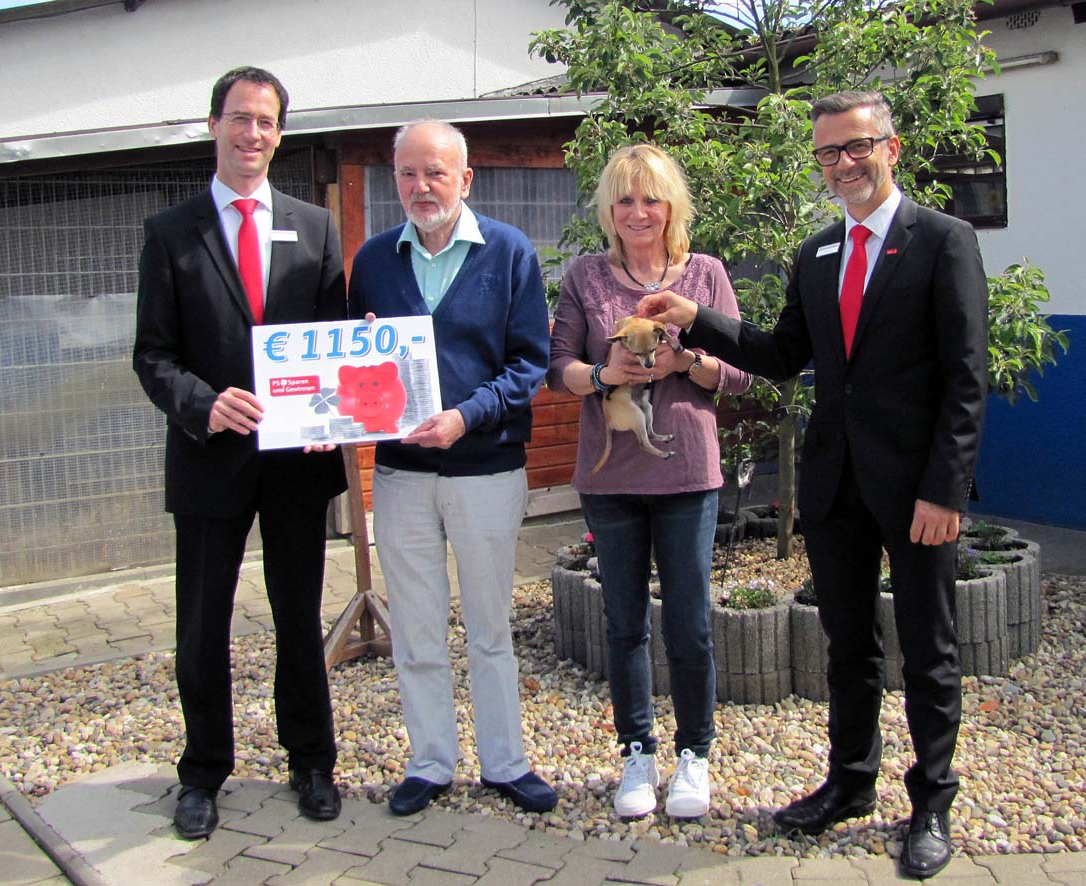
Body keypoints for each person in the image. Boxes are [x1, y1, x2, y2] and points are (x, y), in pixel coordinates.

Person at [640, 91, 988, 878]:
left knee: (930, 649)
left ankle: (932, 800)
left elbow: (965, 379)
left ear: (890, 148)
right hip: (835, 485)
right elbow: (782, 354)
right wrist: (694, 316)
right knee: (849, 646)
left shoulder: (944, 240)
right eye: (828, 152)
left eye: (856, 146)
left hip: (917, 490)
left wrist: (946, 489)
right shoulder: (817, 252)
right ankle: (851, 783)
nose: (843, 164)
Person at [133, 66, 348, 839]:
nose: (251, 132)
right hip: (209, 460)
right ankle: (202, 773)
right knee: (202, 624)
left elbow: (333, 343)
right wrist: (203, 404)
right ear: (214, 125)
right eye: (238, 118)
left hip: (295, 463)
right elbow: (152, 355)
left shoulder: (315, 227)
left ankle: (312, 761)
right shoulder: (171, 232)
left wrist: (338, 402)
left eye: (265, 121)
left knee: (298, 614)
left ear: (279, 135)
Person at [346, 120, 556, 817]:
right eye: (407, 173)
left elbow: (529, 363)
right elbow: (351, 362)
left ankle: (505, 762)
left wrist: (467, 417)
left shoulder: (509, 251)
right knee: (415, 627)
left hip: (485, 469)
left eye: (434, 172)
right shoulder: (373, 260)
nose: (420, 186)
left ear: (465, 179)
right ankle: (430, 762)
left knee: (490, 627)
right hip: (402, 475)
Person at [546, 144, 750, 820]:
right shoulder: (585, 276)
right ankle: (637, 751)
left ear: (672, 208)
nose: (638, 212)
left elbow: (739, 372)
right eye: (625, 200)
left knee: (690, 624)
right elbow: (558, 368)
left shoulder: (705, 275)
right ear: (609, 209)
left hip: (687, 474)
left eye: (651, 199)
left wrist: (682, 363)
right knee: (624, 623)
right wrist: (605, 375)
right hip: (611, 480)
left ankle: (695, 753)